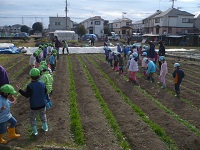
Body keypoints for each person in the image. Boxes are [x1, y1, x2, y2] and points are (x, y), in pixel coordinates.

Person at [17, 68, 48, 135]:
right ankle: (45, 128)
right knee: (43, 115)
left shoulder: (30, 86)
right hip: (42, 104)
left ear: (30, 77)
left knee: (33, 118)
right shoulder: (42, 83)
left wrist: (20, 90)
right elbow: (45, 91)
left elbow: (27, 95)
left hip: (34, 105)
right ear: (39, 76)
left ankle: (35, 132)